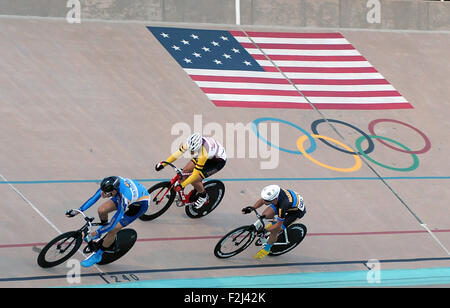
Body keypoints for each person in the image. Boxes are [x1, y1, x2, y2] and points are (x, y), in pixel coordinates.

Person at [66, 176, 149, 267]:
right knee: (102, 210)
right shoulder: (110, 184)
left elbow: (114, 221)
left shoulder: (125, 198)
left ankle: (98, 255)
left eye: (106, 193)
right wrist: (77, 211)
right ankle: (103, 229)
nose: (103, 194)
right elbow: (94, 198)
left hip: (139, 205)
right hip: (126, 193)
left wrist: (96, 232)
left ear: (114, 191)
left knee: (113, 230)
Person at [155, 132, 226, 209]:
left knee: (195, 180)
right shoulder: (190, 142)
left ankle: (203, 196)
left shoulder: (203, 154)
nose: (191, 152)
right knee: (185, 171)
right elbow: (177, 154)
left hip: (217, 162)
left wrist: (182, 185)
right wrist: (163, 164)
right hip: (209, 153)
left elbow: (195, 174)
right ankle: (180, 195)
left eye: (193, 150)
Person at [242, 184, 306, 260]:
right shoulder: (274, 195)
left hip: (296, 213)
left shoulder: (283, 206)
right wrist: (251, 209)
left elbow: (278, 226)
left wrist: (265, 230)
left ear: (274, 199)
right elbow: (262, 200)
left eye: (267, 201)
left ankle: (267, 248)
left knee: (275, 230)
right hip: (285, 203)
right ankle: (273, 224)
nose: (264, 202)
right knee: (266, 214)